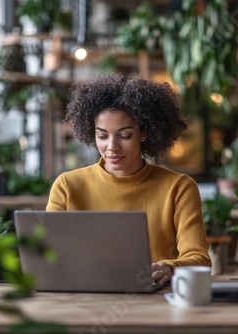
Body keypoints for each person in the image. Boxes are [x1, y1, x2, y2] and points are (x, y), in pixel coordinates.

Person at [46, 72, 211, 287]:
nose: (112, 147)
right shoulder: (67, 186)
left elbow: (200, 259)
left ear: (144, 133)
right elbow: (47, 256)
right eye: (102, 136)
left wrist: (169, 267)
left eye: (124, 136)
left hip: (156, 303)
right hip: (83, 299)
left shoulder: (179, 188)